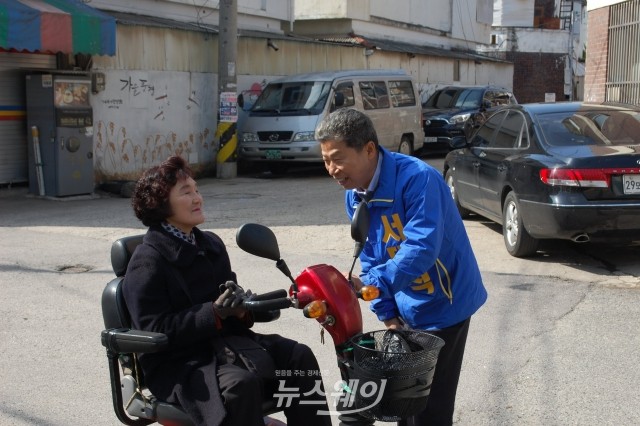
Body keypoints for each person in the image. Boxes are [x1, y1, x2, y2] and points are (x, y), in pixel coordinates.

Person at [122, 155, 332, 426]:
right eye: (186, 192)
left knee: (297, 356)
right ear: (160, 203)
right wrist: (213, 313)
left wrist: (242, 307)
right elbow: (154, 330)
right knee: (238, 385)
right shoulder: (147, 260)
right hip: (180, 363)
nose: (198, 198)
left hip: (228, 346)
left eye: (197, 190)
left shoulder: (210, 244)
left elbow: (230, 304)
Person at [316, 108, 488, 426]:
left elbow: (421, 248)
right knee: (403, 401)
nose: (331, 169)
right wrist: (387, 313)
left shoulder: (418, 180)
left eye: (337, 158)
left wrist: (374, 282)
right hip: (405, 304)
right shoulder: (355, 197)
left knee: (430, 407)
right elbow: (370, 257)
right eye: (326, 160)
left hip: (445, 301)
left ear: (368, 149)